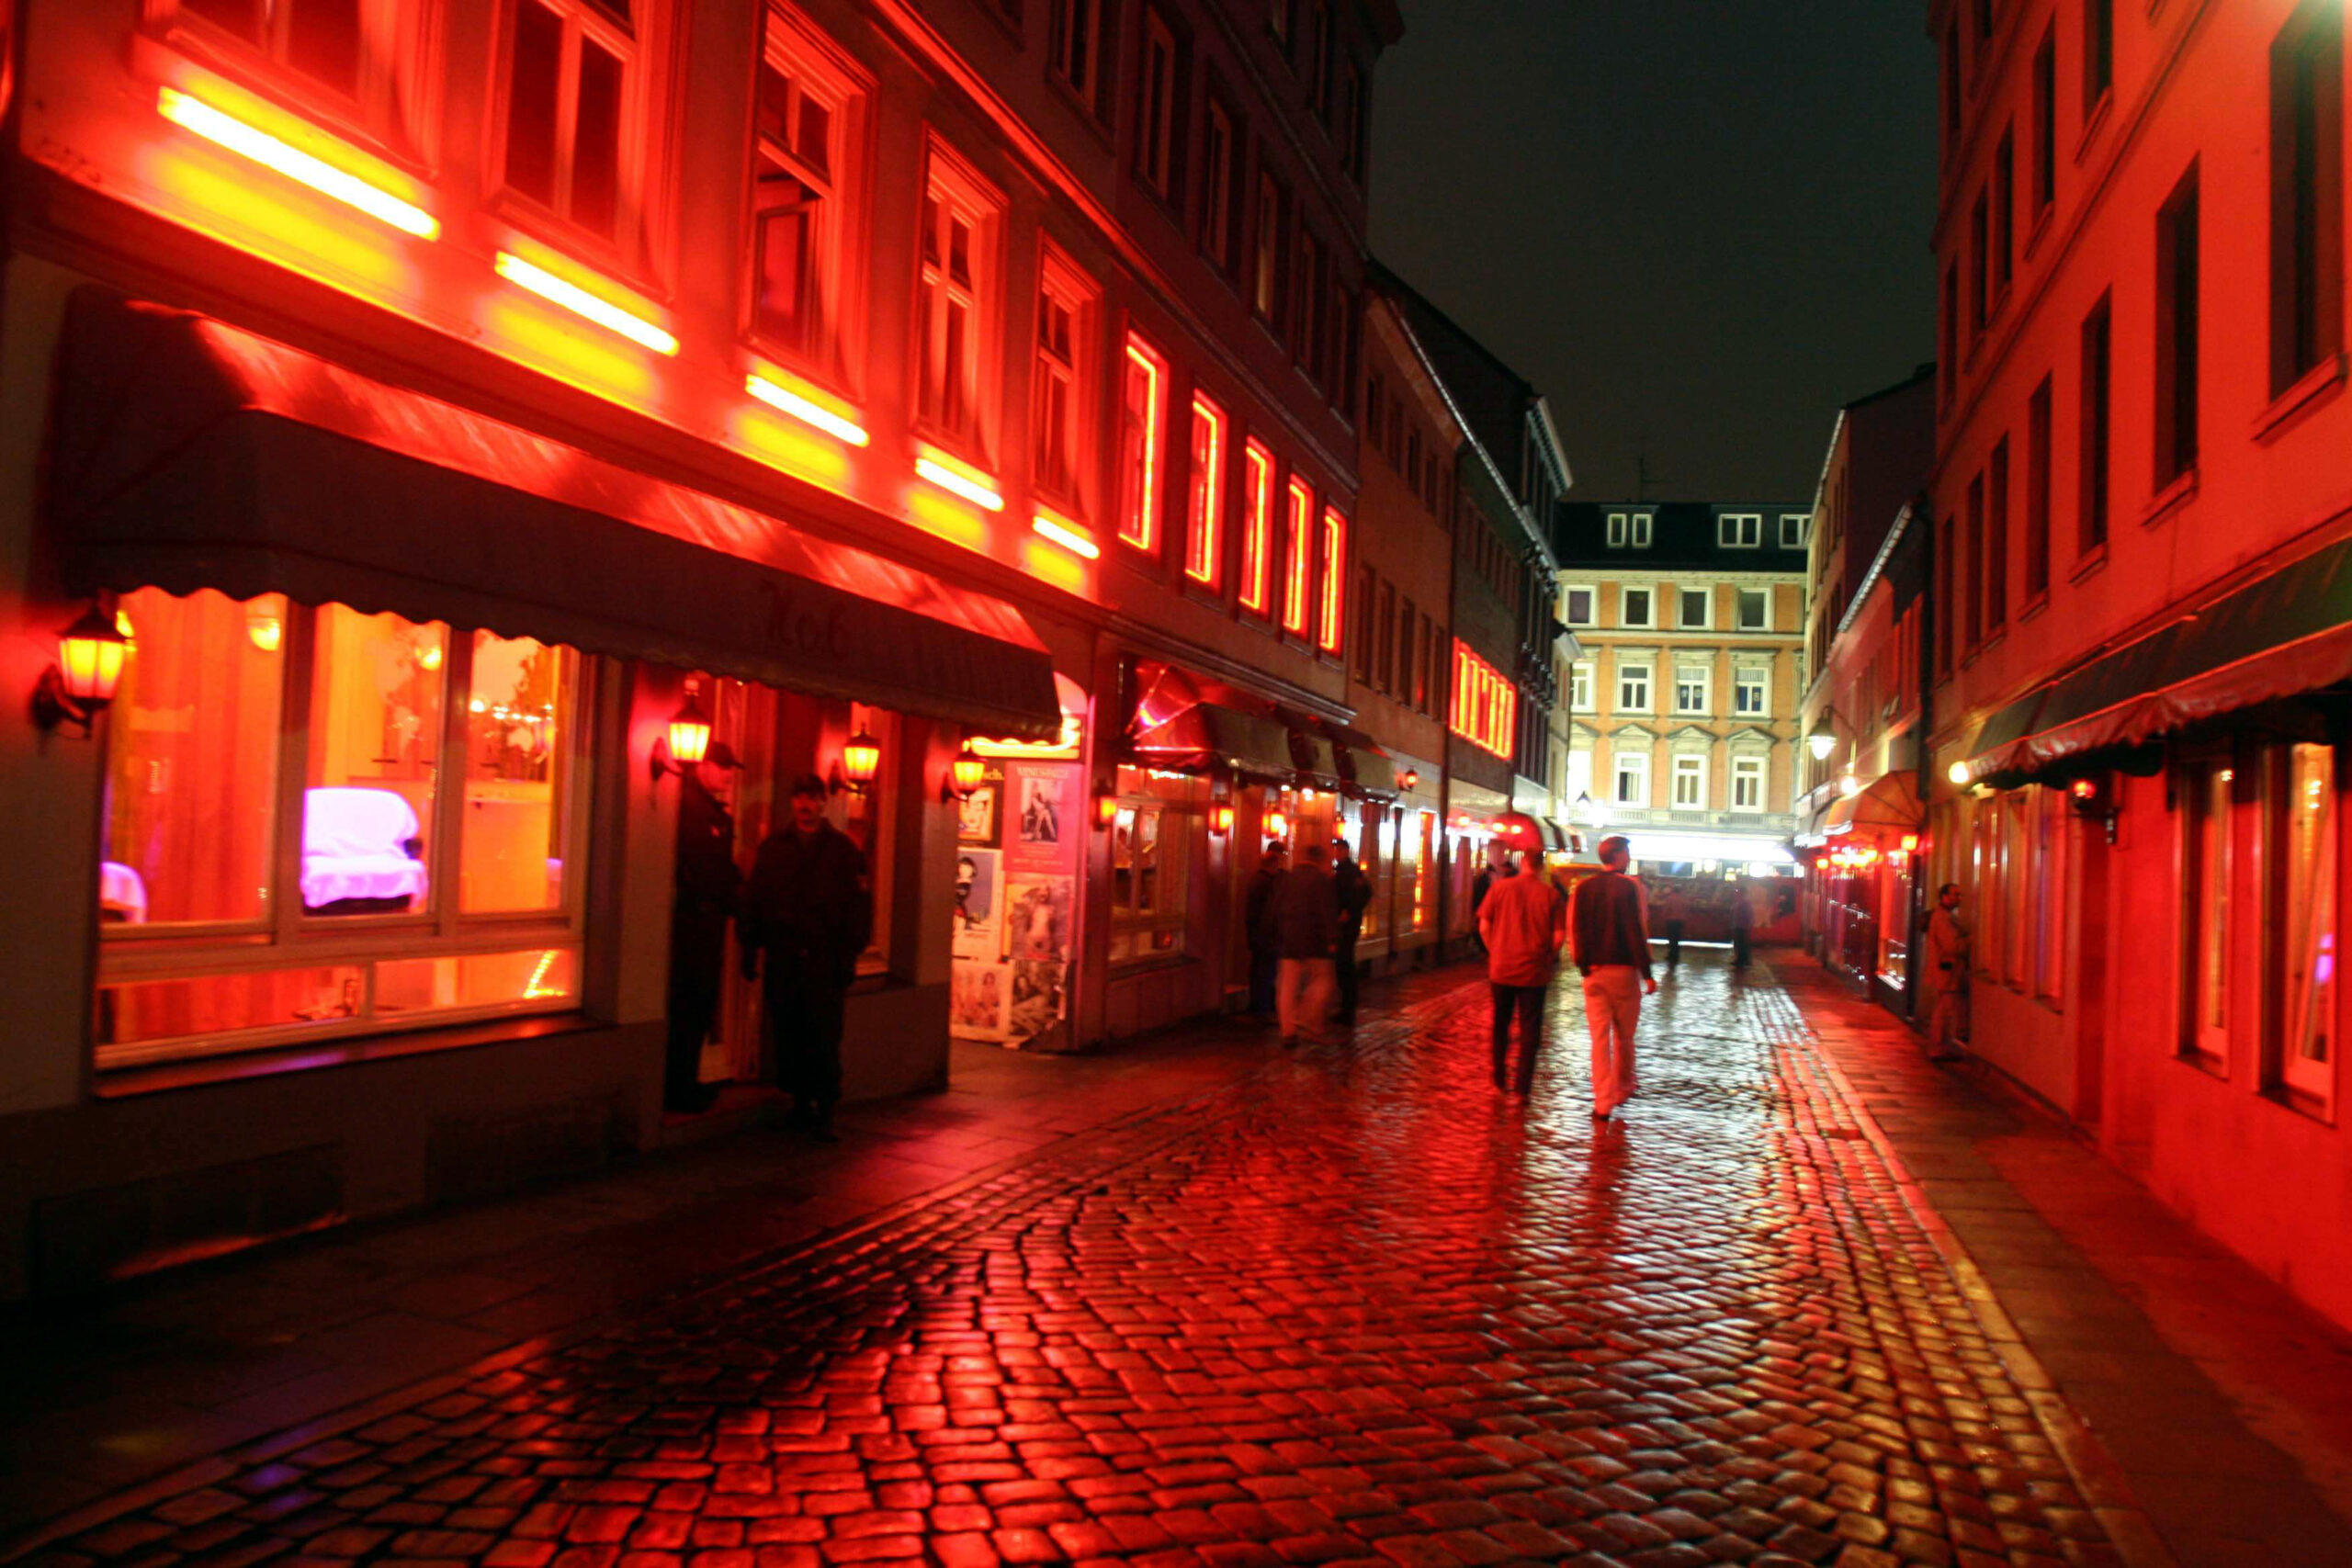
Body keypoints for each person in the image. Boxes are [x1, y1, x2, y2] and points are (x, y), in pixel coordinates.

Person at [741, 773, 872, 1142]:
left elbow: (859, 909)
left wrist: (848, 955)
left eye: (811, 798)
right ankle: (799, 1103)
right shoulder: (774, 849)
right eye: (798, 797)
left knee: (824, 1035)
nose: (804, 805)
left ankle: (825, 1108)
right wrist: (750, 947)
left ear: (822, 803)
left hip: (824, 958)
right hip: (784, 957)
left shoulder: (843, 852)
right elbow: (756, 900)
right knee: (790, 1032)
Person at [664, 744, 744, 1114]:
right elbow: (701, 869)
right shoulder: (689, 807)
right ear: (705, 766)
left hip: (707, 922)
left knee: (698, 1004)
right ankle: (678, 1086)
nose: (729, 775)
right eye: (723, 767)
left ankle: (685, 1080)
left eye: (731, 768)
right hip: (693, 923)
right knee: (688, 1003)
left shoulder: (711, 811)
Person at [1571, 834, 1657, 1120]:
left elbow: (1576, 929)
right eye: (1627, 853)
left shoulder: (1583, 888)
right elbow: (1637, 930)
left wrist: (1584, 965)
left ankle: (1602, 1101)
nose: (1629, 858)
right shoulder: (1630, 888)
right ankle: (1623, 1086)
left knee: (1598, 1038)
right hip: (1622, 969)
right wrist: (1646, 973)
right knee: (1624, 1035)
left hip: (1594, 971)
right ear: (1618, 856)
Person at [1478, 849, 1567, 1094]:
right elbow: (1559, 934)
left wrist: (1494, 949)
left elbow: (1484, 924)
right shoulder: (1549, 894)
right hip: (1534, 970)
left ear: (1523, 862)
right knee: (1530, 1028)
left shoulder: (1499, 889)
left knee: (1501, 1024)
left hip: (1502, 968)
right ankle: (1522, 1086)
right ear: (1540, 867)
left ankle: (1499, 1077)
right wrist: (1549, 955)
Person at [1269, 841, 1339, 1046]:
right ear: (1320, 860)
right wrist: (1332, 938)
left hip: (1289, 940)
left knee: (1287, 986)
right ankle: (1305, 1016)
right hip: (1314, 942)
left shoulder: (1288, 879)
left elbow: (1274, 908)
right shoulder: (1322, 881)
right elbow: (1327, 911)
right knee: (1323, 980)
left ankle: (1287, 1032)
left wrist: (1274, 934)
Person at [1925, 882, 1972, 1061]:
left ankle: (1940, 1044)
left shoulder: (1943, 917)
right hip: (1947, 971)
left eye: (1959, 894)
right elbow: (1952, 946)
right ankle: (1937, 1046)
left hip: (1945, 971)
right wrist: (1968, 941)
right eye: (1955, 894)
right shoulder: (1943, 918)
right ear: (1945, 896)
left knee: (1944, 1008)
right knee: (1944, 1009)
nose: (1958, 898)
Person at [1331, 839, 1373, 1026]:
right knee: (1343, 964)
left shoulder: (1350, 871)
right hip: (1344, 923)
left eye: (1340, 850)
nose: (1337, 853)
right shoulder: (1341, 870)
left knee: (1345, 964)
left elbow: (1364, 893)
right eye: (1335, 850)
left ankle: (1348, 1008)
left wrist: (1350, 911)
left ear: (1346, 851)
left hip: (1347, 925)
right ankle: (1346, 1007)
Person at [1244, 843, 1288, 1015]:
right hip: (1266, 935)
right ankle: (1262, 1006)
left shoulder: (1259, 880)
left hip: (1260, 934)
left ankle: (1259, 1004)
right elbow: (1267, 912)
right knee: (1266, 970)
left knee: (1260, 969)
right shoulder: (1267, 883)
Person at [1653, 886, 1690, 970]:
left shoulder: (1670, 898)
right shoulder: (1683, 899)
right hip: (1680, 921)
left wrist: (1663, 918)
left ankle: (1671, 955)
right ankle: (1676, 956)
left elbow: (1666, 909)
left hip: (1671, 921)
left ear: (1673, 891)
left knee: (1671, 939)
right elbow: (1686, 910)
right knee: (1677, 939)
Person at [1730, 880, 1756, 968]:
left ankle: (1742, 960)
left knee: (1741, 943)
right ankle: (1743, 960)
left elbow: (1746, 914)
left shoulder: (1743, 902)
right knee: (1742, 943)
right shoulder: (1745, 902)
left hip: (1741, 925)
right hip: (1742, 925)